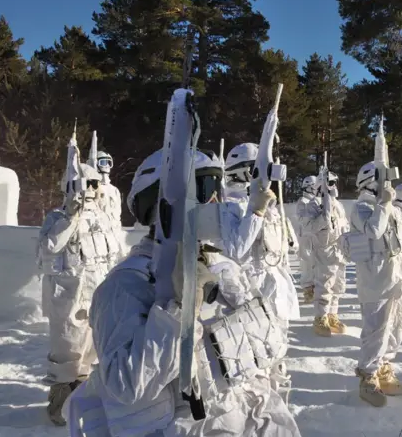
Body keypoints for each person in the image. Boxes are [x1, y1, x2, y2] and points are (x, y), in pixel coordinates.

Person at [64, 150, 301, 437]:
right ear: (164, 205)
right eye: (204, 190)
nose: (216, 201)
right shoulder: (126, 285)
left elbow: (259, 357)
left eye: (218, 188)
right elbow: (125, 385)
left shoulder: (224, 267)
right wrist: (177, 309)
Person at [39, 162, 122, 425]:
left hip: (98, 292)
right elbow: (48, 249)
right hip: (68, 297)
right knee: (68, 349)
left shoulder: (104, 218)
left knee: (93, 349)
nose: (90, 191)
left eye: (94, 185)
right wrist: (69, 219)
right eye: (85, 185)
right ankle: (61, 401)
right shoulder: (56, 218)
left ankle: (85, 398)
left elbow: (116, 253)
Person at [345, 162, 402, 406]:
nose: (390, 187)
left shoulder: (389, 208)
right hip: (375, 279)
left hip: (396, 277)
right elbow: (374, 231)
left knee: (395, 327)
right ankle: (368, 376)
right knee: (376, 330)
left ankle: (385, 366)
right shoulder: (362, 208)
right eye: (384, 181)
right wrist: (385, 204)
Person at [223, 143, 300, 332]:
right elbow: (236, 249)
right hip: (250, 286)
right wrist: (255, 212)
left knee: (278, 342)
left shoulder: (268, 204)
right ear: (244, 172)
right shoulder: (229, 205)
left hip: (274, 283)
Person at [301, 169, 350, 336]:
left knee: (338, 286)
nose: (332, 186)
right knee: (325, 286)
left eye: (334, 182)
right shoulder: (313, 204)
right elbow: (308, 227)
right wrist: (324, 217)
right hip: (324, 250)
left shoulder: (339, 204)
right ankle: (320, 317)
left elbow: (344, 225)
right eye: (329, 183)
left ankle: (332, 315)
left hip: (339, 250)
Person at [295, 176, 319, 304]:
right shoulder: (303, 201)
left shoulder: (315, 201)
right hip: (306, 238)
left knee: (315, 264)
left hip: (314, 237)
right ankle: (308, 291)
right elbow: (303, 219)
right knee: (307, 264)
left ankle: (314, 288)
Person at [94, 150, 123, 246]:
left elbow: (117, 216)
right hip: (98, 237)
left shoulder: (114, 190)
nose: (106, 165)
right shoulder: (92, 188)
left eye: (109, 163)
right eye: (103, 162)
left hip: (114, 235)